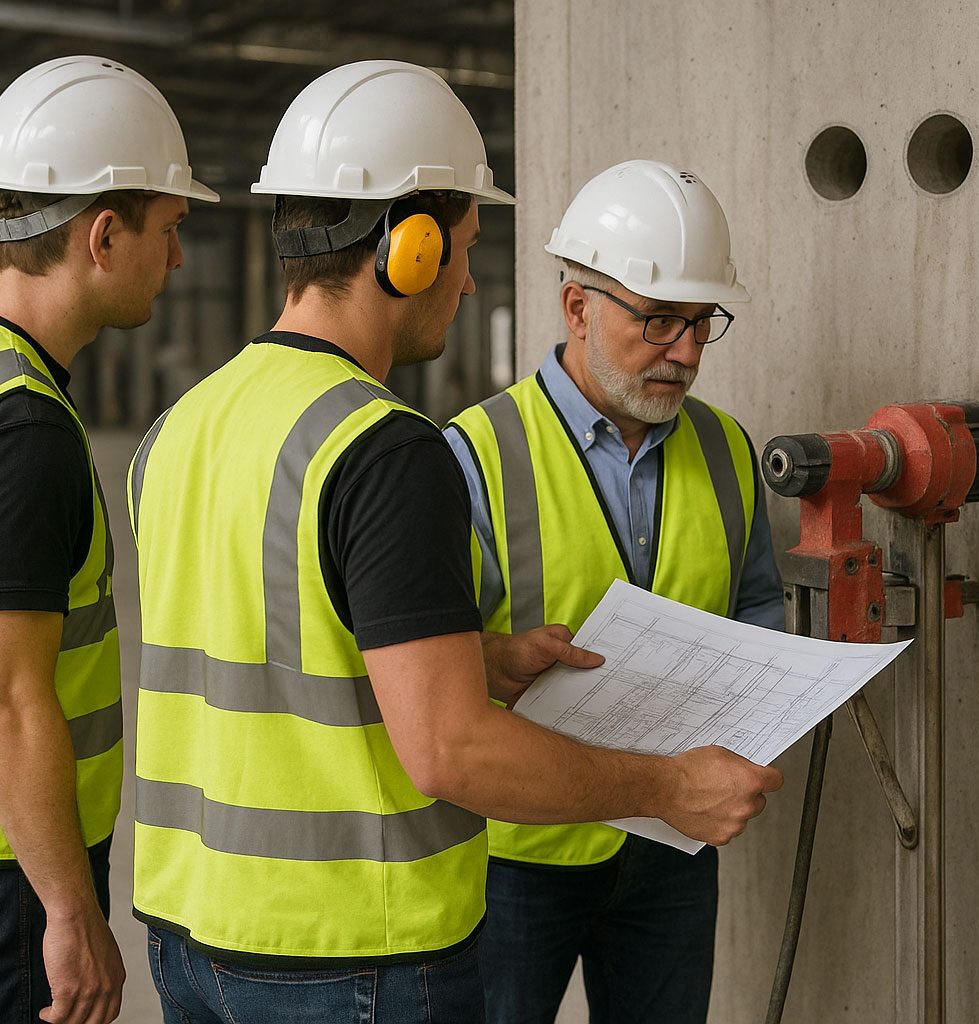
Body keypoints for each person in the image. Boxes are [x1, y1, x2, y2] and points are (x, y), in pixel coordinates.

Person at [129, 66, 781, 1024]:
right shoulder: (383, 448)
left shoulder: (180, 426)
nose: (471, 281)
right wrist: (669, 785)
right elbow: (447, 750)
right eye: (468, 246)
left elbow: (284, 650)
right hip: (350, 948)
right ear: (412, 245)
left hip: (192, 936)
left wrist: (481, 655)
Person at [445, 158, 786, 1024]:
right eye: (659, 321)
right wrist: (494, 659)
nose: (685, 352)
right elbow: (425, 665)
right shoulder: (473, 455)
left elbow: (757, 606)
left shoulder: (728, 449)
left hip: (673, 847)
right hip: (513, 853)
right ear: (577, 307)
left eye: (703, 323)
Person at [0, 55, 217, 1024]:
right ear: (101, 235)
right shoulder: (27, 426)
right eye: (167, 230)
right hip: (18, 866)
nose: (176, 261)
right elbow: (11, 699)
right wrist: (69, 911)